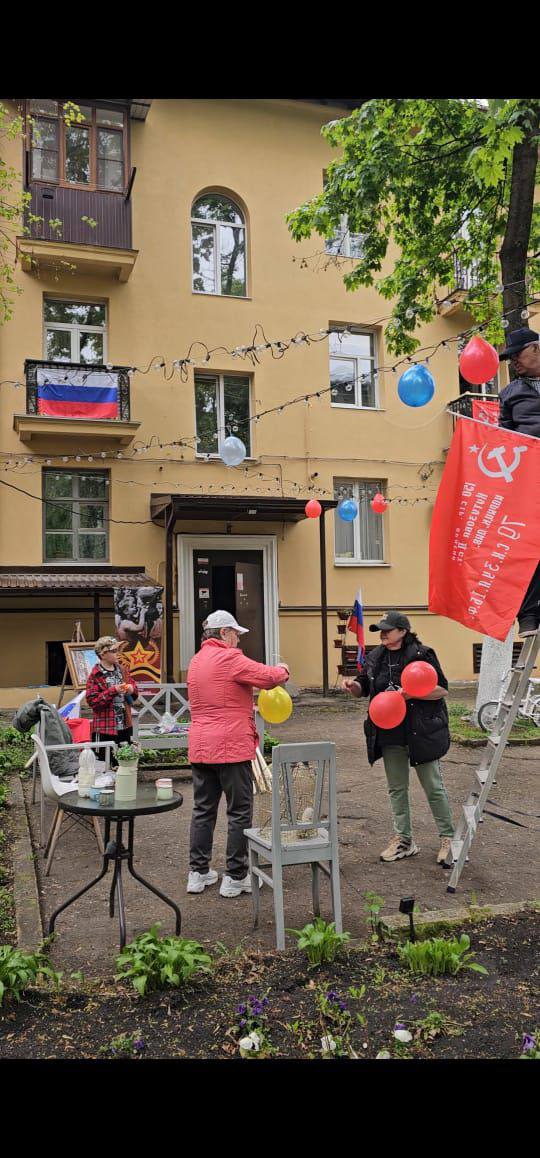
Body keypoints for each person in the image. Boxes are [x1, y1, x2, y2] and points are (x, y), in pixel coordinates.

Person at [187, 609, 289, 898]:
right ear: (223, 633)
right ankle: (236, 876)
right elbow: (269, 678)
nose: (237, 640)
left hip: (201, 746)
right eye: (235, 634)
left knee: (203, 810)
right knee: (239, 812)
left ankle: (198, 872)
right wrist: (284, 669)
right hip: (231, 745)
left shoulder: (196, 661)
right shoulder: (230, 658)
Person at [342, 610, 454, 864]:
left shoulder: (422, 654)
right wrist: (353, 687)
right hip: (389, 732)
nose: (382, 633)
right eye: (380, 630)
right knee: (396, 788)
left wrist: (412, 693)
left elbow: (441, 689)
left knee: (433, 787)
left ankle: (449, 839)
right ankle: (404, 840)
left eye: (387, 629)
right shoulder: (376, 657)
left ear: (402, 631)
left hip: (420, 732)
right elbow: (364, 686)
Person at [498, 327, 540, 636]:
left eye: (517, 355)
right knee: (526, 546)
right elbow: (502, 435)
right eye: (510, 358)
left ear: (536, 349)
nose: (513, 362)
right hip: (528, 478)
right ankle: (527, 616)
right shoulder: (509, 393)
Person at [86, 636, 138, 755]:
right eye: (114, 651)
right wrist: (113, 690)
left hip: (125, 724)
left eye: (118, 650)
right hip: (105, 727)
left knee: (125, 758)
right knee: (105, 760)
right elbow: (93, 701)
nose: (118, 654)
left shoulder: (122, 670)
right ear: (103, 654)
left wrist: (131, 689)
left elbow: (134, 690)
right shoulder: (96, 675)